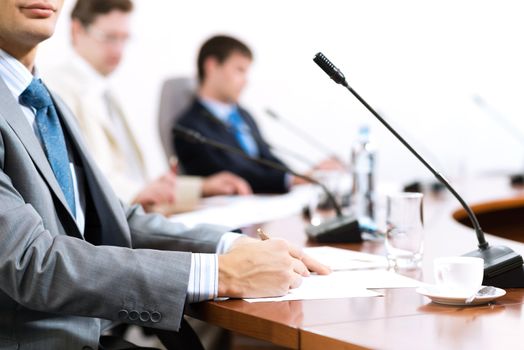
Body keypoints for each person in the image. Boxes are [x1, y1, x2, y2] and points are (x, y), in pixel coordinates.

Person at [0, 1, 330, 349]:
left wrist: (232, 245)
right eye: (110, 37)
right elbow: (32, 262)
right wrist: (224, 273)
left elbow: (113, 219)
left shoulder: (45, 101)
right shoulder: (61, 94)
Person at [45, 0, 252, 216]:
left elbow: (137, 182)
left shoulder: (109, 94)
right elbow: (83, 182)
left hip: (137, 215)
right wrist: (141, 192)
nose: (118, 49)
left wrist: (202, 187)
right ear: (76, 30)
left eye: (124, 39)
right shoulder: (57, 90)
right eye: (109, 37)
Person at [174, 35, 343, 194]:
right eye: (239, 70)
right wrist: (290, 179)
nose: (245, 80)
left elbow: (267, 158)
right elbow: (233, 172)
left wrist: (303, 174)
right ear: (211, 66)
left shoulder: (243, 115)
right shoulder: (189, 127)